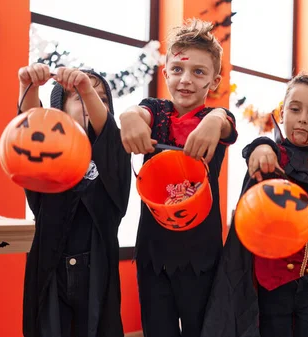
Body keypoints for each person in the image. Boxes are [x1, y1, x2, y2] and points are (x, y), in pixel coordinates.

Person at [201, 74, 308, 337]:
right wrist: (260, 146)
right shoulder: (270, 157)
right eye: (295, 109)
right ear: (282, 112)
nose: (302, 119)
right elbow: (259, 149)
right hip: (272, 288)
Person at [119, 18, 237, 337]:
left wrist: (214, 119)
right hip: (153, 251)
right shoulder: (154, 112)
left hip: (201, 254)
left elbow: (225, 122)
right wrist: (129, 116)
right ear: (166, 72)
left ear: (214, 80)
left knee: (203, 328)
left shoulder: (215, 119)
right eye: (178, 70)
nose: (186, 80)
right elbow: (137, 113)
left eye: (198, 72)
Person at [18, 64, 131, 337]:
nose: (89, 98)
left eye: (100, 97)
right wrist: (28, 87)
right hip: (50, 266)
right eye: (76, 97)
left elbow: (109, 136)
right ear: (59, 109)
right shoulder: (47, 153)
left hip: (97, 269)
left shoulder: (114, 153)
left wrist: (85, 89)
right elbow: (31, 126)